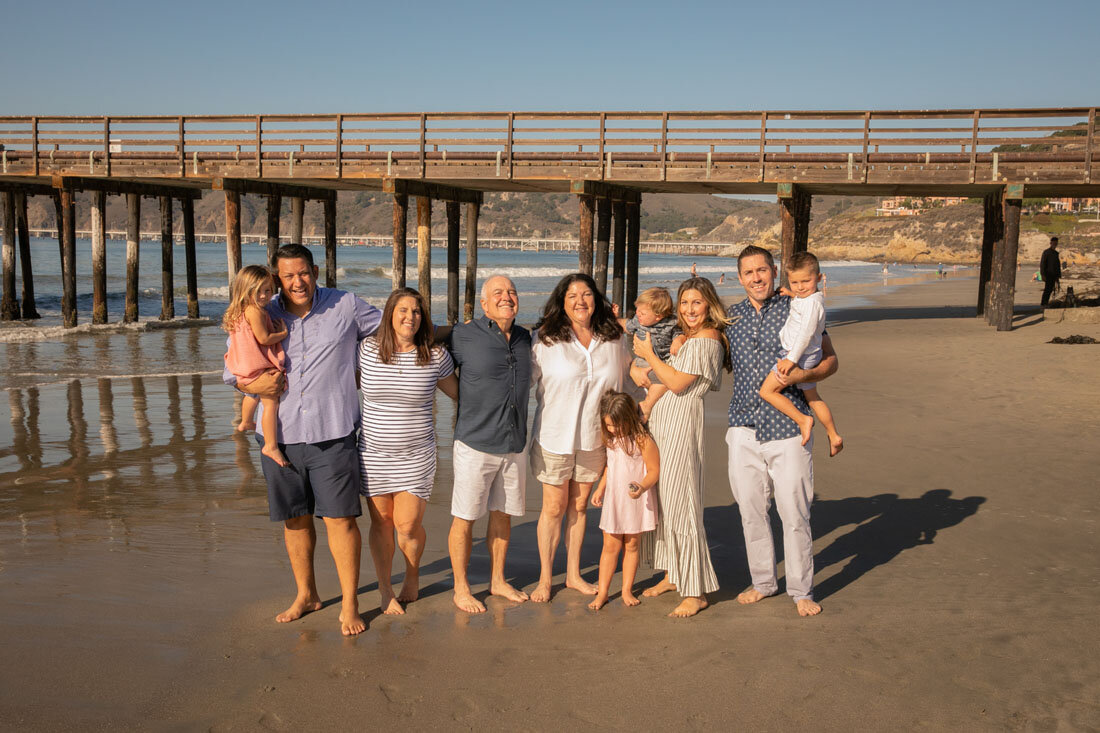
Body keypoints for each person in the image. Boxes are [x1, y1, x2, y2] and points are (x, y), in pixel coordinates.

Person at [221, 243, 381, 636]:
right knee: (295, 520)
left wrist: (450, 342)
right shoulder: (260, 311)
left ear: (316, 270)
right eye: (288, 275)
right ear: (277, 277)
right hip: (281, 434)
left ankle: (349, 603)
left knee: (341, 520)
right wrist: (253, 383)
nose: (298, 281)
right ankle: (306, 595)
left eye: (304, 272)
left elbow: (395, 328)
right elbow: (232, 369)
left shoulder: (346, 305)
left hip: (333, 432)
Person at [725, 245, 838, 617]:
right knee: (751, 512)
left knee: (795, 513)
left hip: (790, 426)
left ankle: (801, 590)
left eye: (762, 270)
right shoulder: (731, 317)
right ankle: (763, 582)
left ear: (774, 271)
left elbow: (831, 360)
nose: (756, 277)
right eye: (748, 272)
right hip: (742, 426)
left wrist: (801, 375)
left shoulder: (799, 304)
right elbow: (697, 338)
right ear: (740, 278)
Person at [530, 273, 632, 602]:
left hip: (594, 437)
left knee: (579, 506)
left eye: (587, 294)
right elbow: (520, 380)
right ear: (562, 302)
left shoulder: (614, 336)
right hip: (554, 435)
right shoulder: (545, 339)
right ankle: (546, 578)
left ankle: (573, 574)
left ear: (596, 299)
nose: (580, 301)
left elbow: (633, 371)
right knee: (554, 507)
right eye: (572, 295)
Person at [634, 277, 730, 618]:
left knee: (683, 501)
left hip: (683, 425)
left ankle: (695, 590)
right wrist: (641, 370)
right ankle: (675, 574)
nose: (689, 309)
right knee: (666, 502)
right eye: (684, 303)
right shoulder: (685, 339)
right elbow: (663, 377)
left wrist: (646, 355)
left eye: (697, 303)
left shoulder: (708, 338)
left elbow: (675, 382)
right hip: (663, 423)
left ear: (709, 306)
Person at [359, 288, 458, 615]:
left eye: (416, 311)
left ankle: (412, 574)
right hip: (373, 454)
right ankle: (386, 590)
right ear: (390, 314)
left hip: (417, 455)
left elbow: (461, 395)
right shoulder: (367, 351)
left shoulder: (435, 356)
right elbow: (341, 383)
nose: (410, 317)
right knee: (382, 522)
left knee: (406, 525)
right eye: (403, 310)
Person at [445, 275, 532, 613]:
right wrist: (460, 395)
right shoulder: (462, 334)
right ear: (483, 303)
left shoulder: (527, 337)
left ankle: (497, 580)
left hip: (514, 442)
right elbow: (420, 347)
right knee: (464, 517)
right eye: (497, 292)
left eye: (511, 291)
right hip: (475, 443)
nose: (506, 297)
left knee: (503, 515)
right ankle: (461, 587)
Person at [759, 252, 844, 456]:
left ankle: (802, 419)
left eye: (806, 281)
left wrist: (791, 359)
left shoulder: (812, 304)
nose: (800, 286)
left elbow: (805, 334)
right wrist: (792, 294)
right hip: (805, 355)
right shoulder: (807, 298)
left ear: (819, 277)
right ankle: (833, 435)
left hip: (800, 356)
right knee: (813, 397)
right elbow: (801, 303)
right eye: (794, 282)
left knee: (766, 391)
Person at [588, 390, 659, 611]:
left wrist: (643, 486)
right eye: (608, 425)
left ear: (629, 418)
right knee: (609, 546)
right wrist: (600, 488)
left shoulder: (642, 439)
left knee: (632, 544)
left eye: (616, 425)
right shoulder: (612, 439)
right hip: (615, 499)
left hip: (636, 499)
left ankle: (627, 589)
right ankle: (603, 592)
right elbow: (610, 466)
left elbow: (654, 469)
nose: (612, 430)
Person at [223, 265, 288, 467]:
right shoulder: (255, 311)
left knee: (251, 393)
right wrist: (283, 334)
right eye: (257, 291)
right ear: (245, 290)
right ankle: (270, 445)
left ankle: (245, 421)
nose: (263, 296)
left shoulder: (239, 311)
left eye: (268, 290)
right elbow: (264, 338)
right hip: (256, 364)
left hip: (243, 365)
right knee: (270, 403)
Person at [618, 287, 678, 392]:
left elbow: (679, 333)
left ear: (658, 316)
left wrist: (678, 340)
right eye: (637, 309)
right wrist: (614, 318)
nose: (637, 314)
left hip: (663, 363)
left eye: (643, 313)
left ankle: (648, 403)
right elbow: (626, 326)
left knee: (661, 382)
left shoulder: (671, 323)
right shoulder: (637, 320)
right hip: (643, 361)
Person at [1040, 236, 1062, 306]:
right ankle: (1043, 304)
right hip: (1048, 274)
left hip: (1054, 275)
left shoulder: (1056, 253)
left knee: (1050, 290)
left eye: (1056, 243)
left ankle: (1045, 303)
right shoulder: (1046, 252)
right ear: (1051, 243)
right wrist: (1042, 275)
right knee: (1047, 290)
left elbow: (1057, 265)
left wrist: (1058, 276)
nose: (1055, 244)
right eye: (1054, 243)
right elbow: (1042, 264)